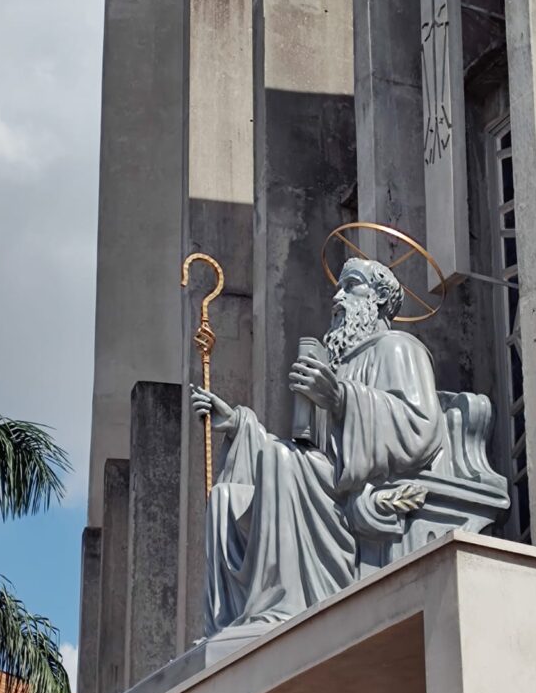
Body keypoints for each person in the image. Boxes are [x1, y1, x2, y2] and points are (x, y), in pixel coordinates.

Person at [191, 258, 453, 636]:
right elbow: (313, 451)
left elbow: (421, 428)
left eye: (351, 286)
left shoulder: (397, 349)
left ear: (378, 299)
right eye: (340, 287)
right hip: (327, 480)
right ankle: (240, 619)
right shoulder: (336, 363)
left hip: (362, 486)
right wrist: (238, 424)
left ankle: (285, 605)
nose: (338, 296)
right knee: (227, 498)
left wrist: (343, 398)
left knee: (283, 459)